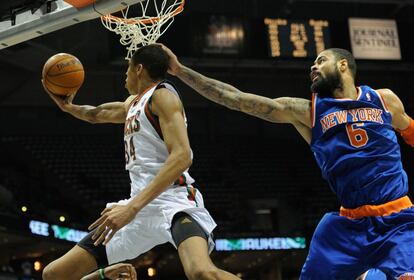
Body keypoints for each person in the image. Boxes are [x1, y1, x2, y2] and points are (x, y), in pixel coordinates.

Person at [159, 44, 414, 279]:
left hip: (398, 217)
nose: (313, 67)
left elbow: (411, 131)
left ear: (343, 65)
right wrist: (180, 71)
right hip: (347, 227)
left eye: (321, 61)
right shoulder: (307, 111)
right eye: (312, 63)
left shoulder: (384, 100)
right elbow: (235, 99)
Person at [41, 45, 241, 280]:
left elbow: (183, 155)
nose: (124, 76)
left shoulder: (163, 95)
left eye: (126, 69)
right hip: (138, 209)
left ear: (138, 69)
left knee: (201, 272)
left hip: (173, 202)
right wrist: (68, 107)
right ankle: (104, 274)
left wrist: (131, 207)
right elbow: (96, 114)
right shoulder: (132, 104)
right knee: (55, 274)